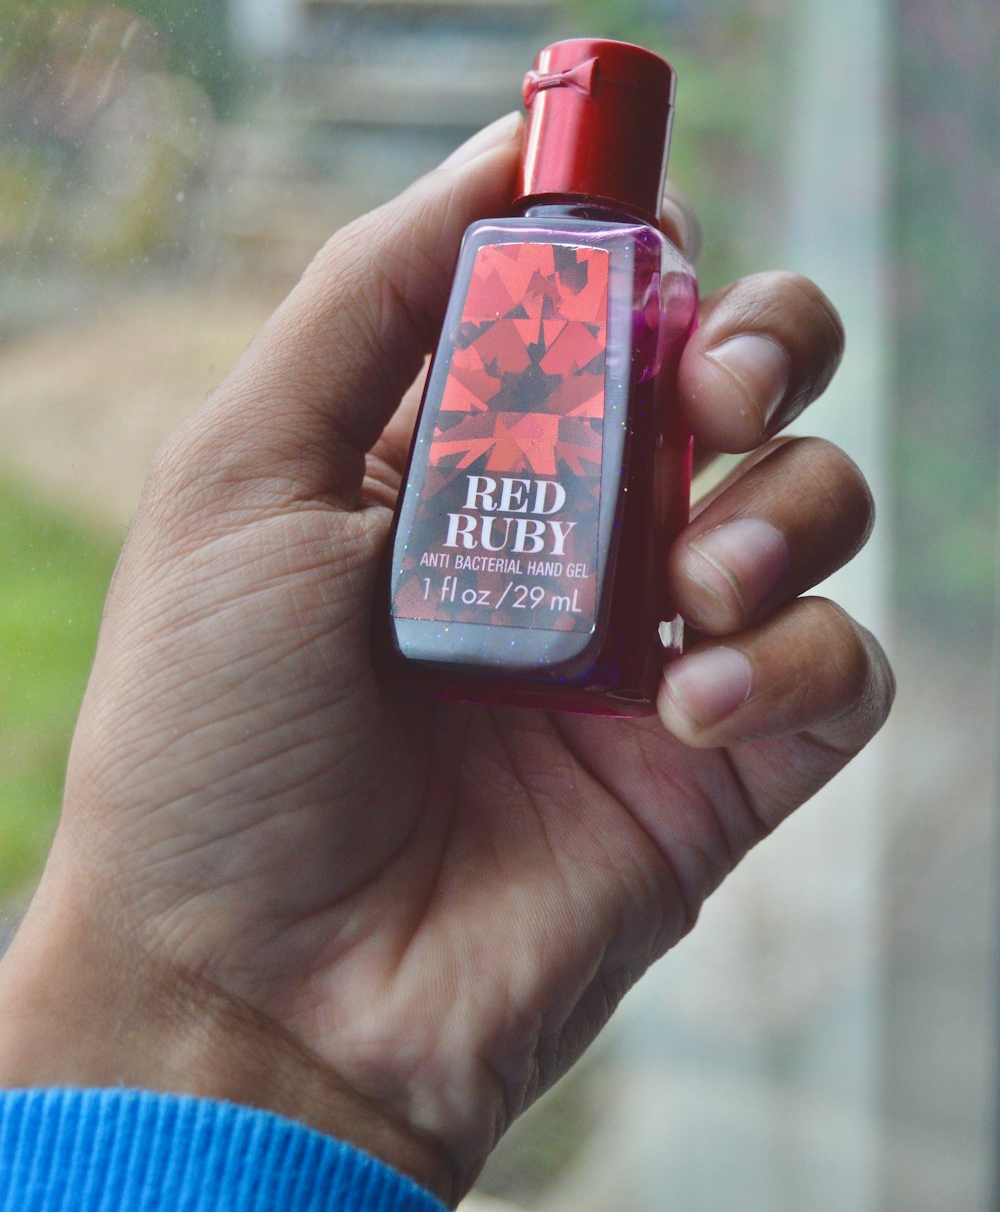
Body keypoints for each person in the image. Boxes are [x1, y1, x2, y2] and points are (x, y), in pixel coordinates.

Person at [0, 112, 893, 1210]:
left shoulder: (614, 266)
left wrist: (259, 1058)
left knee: (724, 491)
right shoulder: (507, 249)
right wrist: (200, 997)